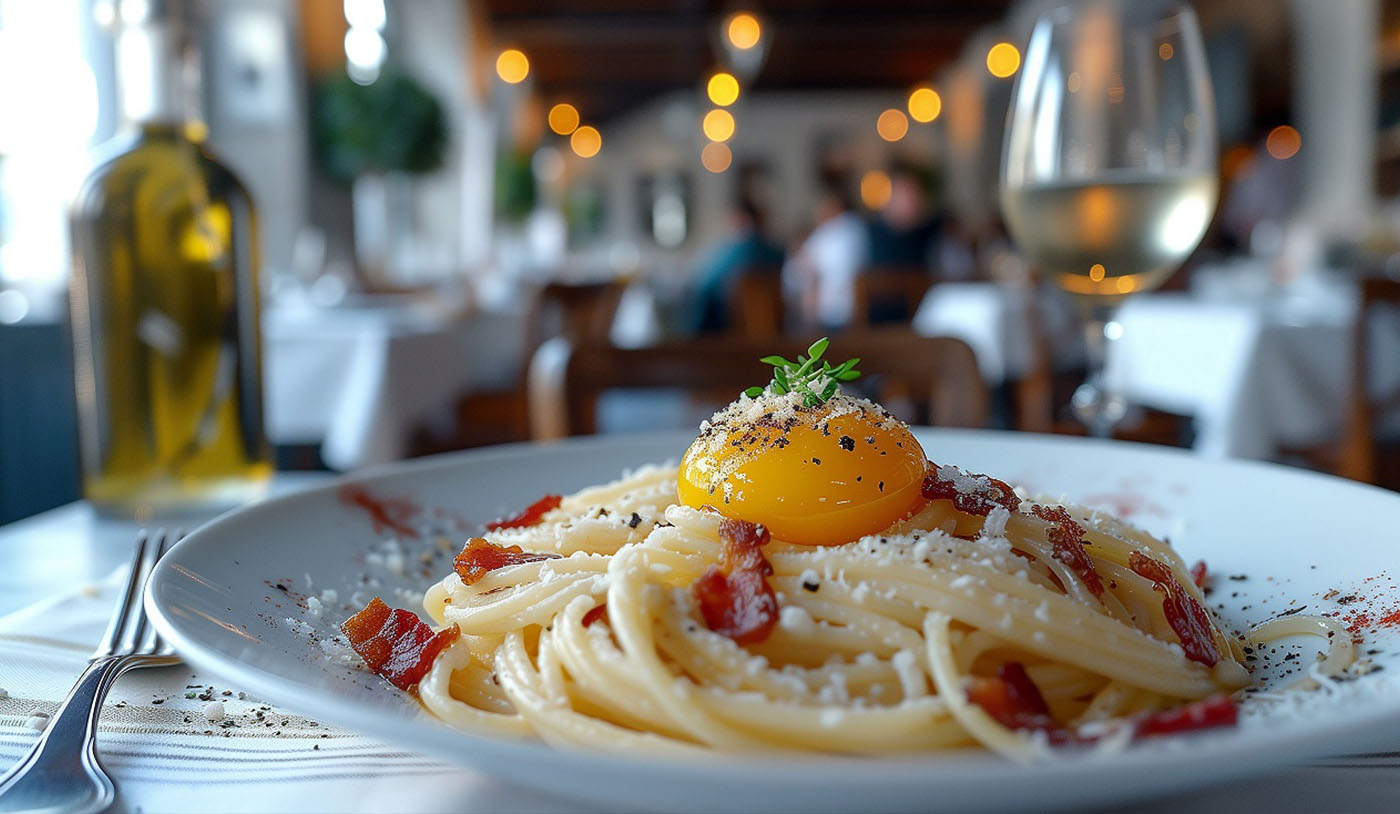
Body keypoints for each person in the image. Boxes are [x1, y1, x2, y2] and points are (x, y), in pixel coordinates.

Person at [687, 197, 785, 334]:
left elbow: (705, 282)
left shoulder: (739, 249)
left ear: (743, 219)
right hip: (774, 325)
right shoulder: (776, 250)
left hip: (728, 322)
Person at [787, 181, 868, 332]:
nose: (818, 212)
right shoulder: (827, 232)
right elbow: (796, 271)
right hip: (822, 312)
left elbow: (804, 270)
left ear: (836, 205)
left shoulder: (844, 229)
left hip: (836, 314)